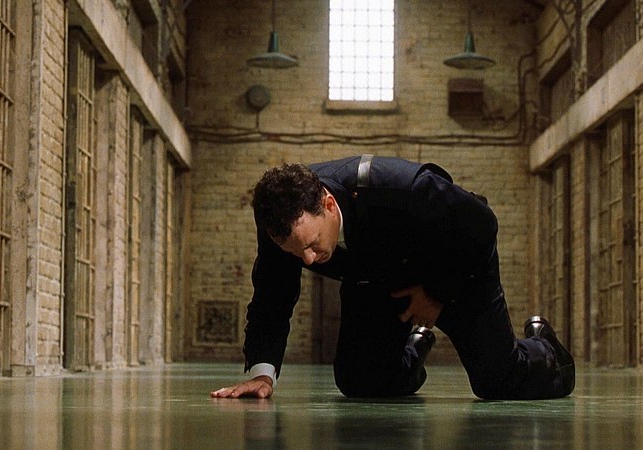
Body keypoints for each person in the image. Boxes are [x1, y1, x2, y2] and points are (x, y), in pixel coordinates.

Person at [210, 155, 575, 400]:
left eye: (311, 243)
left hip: (454, 264)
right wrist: (261, 374)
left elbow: (482, 226)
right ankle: (414, 349)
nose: (307, 259)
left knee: (497, 381)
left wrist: (436, 293)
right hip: (377, 277)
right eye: (294, 251)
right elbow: (272, 297)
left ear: (329, 205)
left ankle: (546, 348)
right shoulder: (279, 225)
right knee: (359, 382)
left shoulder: (404, 190)